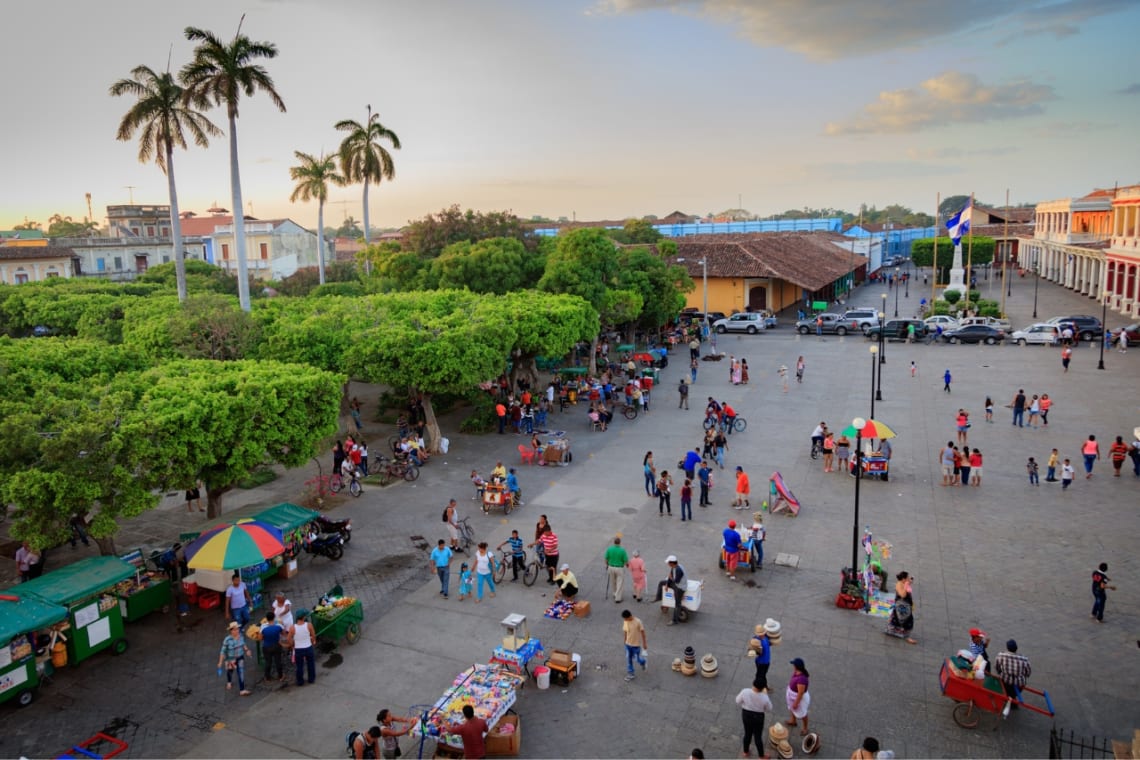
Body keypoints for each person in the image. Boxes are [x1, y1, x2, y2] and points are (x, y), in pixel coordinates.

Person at [736, 676, 773, 758]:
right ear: (763, 688)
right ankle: (761, 756)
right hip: (758, 717)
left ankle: (745, 751)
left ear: (753, 683)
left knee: (747, 733)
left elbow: (737, 701)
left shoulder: (745, 691)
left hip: (746, 714)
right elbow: (769, 708)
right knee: (758, 736)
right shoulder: (764, 697)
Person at [218, 620, 253, 695]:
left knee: (241, 673)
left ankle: (242, 690)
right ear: (231, 631)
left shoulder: (241, 636)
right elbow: (222, 651)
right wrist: (220, 662)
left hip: (240, 657)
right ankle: (229, 681)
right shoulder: (227, 640)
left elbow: (243, 644)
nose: (237, 631)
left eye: (238, 629)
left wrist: (247, 650)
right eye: (235, 629)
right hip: (230, 659)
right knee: (230, 672)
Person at [994, 640, 1031, 706]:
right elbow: (1028, 673)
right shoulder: (1024, 659)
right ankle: (1012, 698)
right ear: (1016, 648)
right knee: (1013, 692)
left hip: (1005, 681)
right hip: (1019, 683)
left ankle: (1008, 698)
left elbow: (997, 667)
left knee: (1007, 690)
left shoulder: (1001, 655)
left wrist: (1000, 672)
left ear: (1007, 648)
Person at [885, 572, 917, 644]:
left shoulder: (903, 582)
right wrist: (906, 585)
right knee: (906, 620)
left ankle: (894, 630)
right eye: (907, 578)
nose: (909, 579)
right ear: (903, 579)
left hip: (905, 605)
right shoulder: (899, 584)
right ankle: (907, 636)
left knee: (897, 618)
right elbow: (903, 595)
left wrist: (908, 583)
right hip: (902, 606)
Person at [653, 555, 686, 625]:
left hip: (680, 587)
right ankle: (658, 597)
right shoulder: (673, 567)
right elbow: (670, 576)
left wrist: (670, 578)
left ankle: (675, 620)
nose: (668, 564)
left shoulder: (678, 570)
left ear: (672, 563)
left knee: (677, 604)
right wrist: (667, 584)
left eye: (668, 563)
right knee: (662, 583)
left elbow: (676, 581)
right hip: (676, 584)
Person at [290, 609, 317, 686]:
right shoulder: (309, 625)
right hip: (308, 648)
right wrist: (313, 642)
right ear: (304, 617)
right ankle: (311, 679)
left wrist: (293, 645)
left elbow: (289, 639)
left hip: (298, 650)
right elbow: (313, 635)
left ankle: (300, 681)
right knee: (311, 664)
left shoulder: (292, 628)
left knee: (299, 666)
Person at [785, 658, 811, 735]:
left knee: (803, 714)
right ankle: (793, 721)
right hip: (792, 696)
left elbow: (800, 693)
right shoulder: (797, 672)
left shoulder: (802, 679)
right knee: (792, 708)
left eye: (794, 665)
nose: (793, 666)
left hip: (798, 698)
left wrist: (796, 703)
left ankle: (805, 728)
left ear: (796, 666)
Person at [620, 609, 648, 682]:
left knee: (637, 659)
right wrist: (625, 640)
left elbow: (643, 633)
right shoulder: (626, 621)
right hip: (628, 644)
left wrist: (644, 643)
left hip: (636, 645)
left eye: (626, 618)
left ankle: (643, 662)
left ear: (629, 616)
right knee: (629, 659)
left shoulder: (638, 622)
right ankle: (631, 673)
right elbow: (625, 631)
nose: (625, 620)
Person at [605, 536, 629, 602]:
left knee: (613, 581)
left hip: (611, 567)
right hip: (619, 568)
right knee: (619, 582)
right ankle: (618, 598)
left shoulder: (609, 549)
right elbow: (626, 561)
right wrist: (626, 565)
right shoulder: (622, 550)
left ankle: (614, 593)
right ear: (620, 543)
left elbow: (606, 558)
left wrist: (607, 565)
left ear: (614, 542)